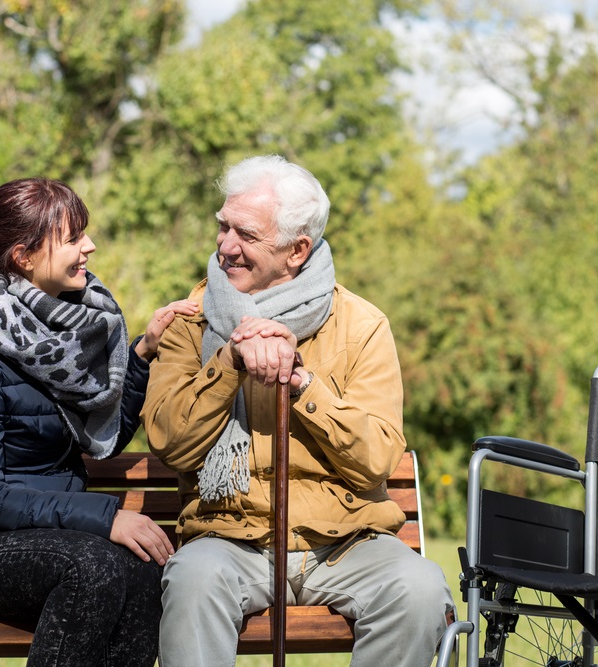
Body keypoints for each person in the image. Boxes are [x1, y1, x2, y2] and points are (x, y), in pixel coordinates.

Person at [141, 155, 455, 666]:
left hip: (345, 543)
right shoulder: (189, 321)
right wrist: (229, 362)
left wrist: (302, 384)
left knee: (417, 589)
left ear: (297, 250)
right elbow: (169, 442)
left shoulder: (361, 324)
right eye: (222, 226)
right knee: (194, 581)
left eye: (245, 234)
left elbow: (376, 458)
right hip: (230, 537)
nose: (225, 246)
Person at [0, 177, 197, 667]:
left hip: (39, 538)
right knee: (92, 567)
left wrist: (143, 353)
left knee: (145, 573)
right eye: (72, 237)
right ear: (23, 257)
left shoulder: (63, 342)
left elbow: (100, 437)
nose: (90, 246)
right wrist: (106, 518)